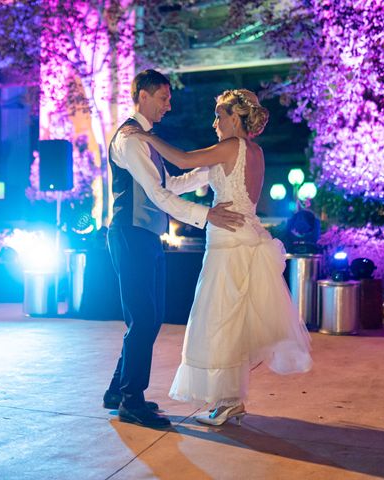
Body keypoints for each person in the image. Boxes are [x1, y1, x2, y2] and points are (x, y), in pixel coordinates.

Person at [129, 89, 313, 426]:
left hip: (228, 243)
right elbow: (185, 178)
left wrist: (146, 136)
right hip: (246, 235)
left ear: (234, 117)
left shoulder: (231, 147)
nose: (214, 123)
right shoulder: (253, 152)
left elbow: (183, 159)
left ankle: (229, 401)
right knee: (233, 321)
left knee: (221, 322)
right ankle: (232, 401)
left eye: (219, 115)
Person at [105, 70, 245, 429]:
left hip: (147, 235)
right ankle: (130, 401)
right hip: (129, 233)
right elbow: (158, 195)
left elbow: (172, 183)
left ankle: (118, 392)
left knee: (148, 317)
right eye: (164, 98)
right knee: (144, 318)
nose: (169, 105)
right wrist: (206, 214)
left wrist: (213, 170)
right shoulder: (131, 140)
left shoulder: (148, 140)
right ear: (144, 96)